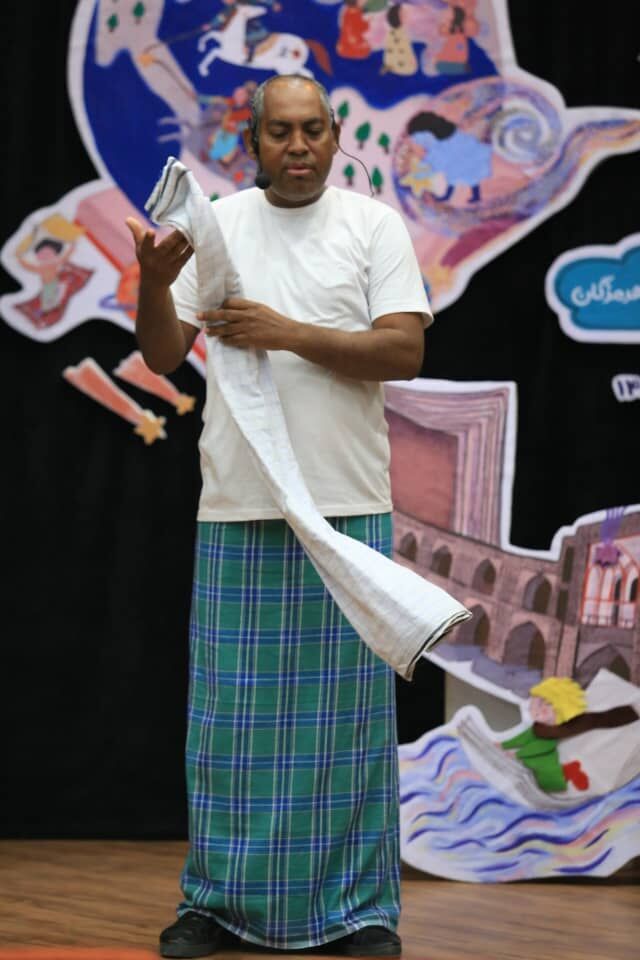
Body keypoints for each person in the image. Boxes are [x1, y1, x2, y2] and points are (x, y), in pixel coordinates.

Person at [126, 74, 432, 959]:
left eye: (313, 131)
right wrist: (154, 285)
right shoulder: (216, 224)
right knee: (230, 725)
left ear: (335, 137)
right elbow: (162, 354)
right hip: (239, 505)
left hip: (347, 506)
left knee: (350, 728)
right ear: (251, 142)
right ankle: (214, 904)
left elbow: (404, 349)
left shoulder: (373, 225)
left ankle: (361, 913)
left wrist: (285, 331)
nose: (298, 147)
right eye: (281, 132)